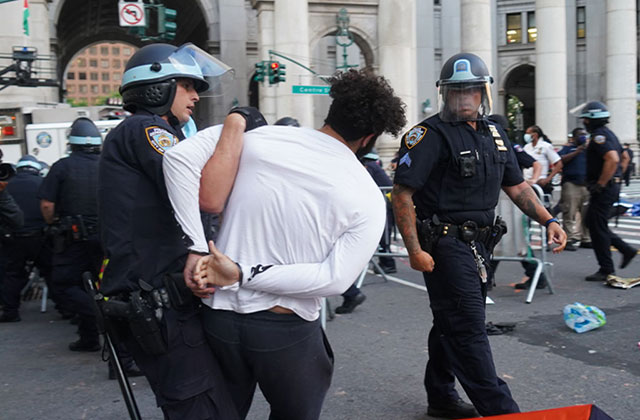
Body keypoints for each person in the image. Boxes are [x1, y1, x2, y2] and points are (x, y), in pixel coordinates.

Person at [163, 68, 407, 420]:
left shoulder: (260, 138)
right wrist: (243, 274)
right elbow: (336, 280)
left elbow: (177, 159)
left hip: (219, 318)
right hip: (285, 328)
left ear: (331, 110)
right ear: (369, 137)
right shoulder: (367, 194)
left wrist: (197, 247)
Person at [391, 52, 566, 418]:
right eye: (457, 92)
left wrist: (549, 220)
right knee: (469, 330)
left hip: (482, 245)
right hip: (444, 245)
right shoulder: (428, 135)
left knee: (449, 323)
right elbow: (403, 194)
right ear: (445, 94)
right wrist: (414, 250)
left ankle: (440, 397)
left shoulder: (495, 134)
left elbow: (517, 187)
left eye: (472, 90)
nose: (465, 98)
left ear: (483, 93)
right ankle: (503, 412)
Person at [97, 43, 239, 419]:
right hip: (159, 302)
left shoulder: (140, 131)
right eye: (187, 85)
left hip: (159, 296)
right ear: (156, 87)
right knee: (200, 407)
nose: (195, 95)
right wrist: (237, 127)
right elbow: (203, 193)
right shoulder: (147, 129)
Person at [38, 118, 103, 351]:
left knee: (66, 284)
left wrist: (53, 222)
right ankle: (91, 337)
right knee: (106, 286)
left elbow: (47, 205)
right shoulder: (108, 164)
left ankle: (98, 318)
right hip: (106, 239)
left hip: (73, 240)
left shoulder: (62, 167)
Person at [581, 101, 637, 282]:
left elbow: (612, 159)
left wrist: (602, 183)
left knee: (596, 224)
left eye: (585, 119)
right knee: (593, 222)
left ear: (590, 120)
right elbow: (624, 157)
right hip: (611, 186)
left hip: (604, 188)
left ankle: (606, 268)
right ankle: (625, 250)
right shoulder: (608, 134)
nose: (583, 122)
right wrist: (617, 178)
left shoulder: (599, 136)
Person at [335, 149, 396, 314]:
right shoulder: (354, 167)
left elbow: (388, 187)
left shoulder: (367, 168)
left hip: (370, 211)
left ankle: (386, 264)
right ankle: (351, 290)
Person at [0, 156, 52, 323]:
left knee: (12, 274)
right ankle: (67, 308)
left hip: (13, 238)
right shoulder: (42, 183)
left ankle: (10, 311)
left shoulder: (7, 185)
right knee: (50, 272)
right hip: (40, 237)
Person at [557, 128, 591, 251]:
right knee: (569, 212)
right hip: (571, 184)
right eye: (580, 135)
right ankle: (569, 239)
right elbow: (561, 159)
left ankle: (586, 238)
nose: (583, 137)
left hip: (586, 185)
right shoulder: (568, 148)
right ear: (574, 137)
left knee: (586, 213)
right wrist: (577, 151)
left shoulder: (589, 149)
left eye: (584, 134)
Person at [523, 125, 563, 194]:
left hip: (540, 182)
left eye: (528, 133)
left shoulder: (546, 146)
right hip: (527, 182)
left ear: (535, 135)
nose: (526, 135)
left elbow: (559, 164)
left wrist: (547, 179)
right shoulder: (526, 147)